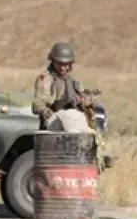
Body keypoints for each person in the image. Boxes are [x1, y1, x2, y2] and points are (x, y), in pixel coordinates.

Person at [31, 42, 105, 170]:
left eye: (66, 64)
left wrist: (87, 100)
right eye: (59, 63)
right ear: (53, 61)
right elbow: (38, 103)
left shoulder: (73, 82)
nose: (63, 67)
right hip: (55, 125)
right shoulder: (46, 79)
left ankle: (97, 159)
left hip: (72, 124)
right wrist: (45, 111)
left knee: (93, 130)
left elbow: (84, 99)